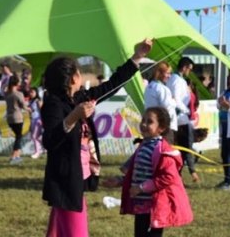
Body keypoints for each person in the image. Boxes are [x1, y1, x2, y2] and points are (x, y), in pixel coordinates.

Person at [41, 38, 152, 237]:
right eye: (78, 72)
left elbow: (112, 84)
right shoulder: (53, 104)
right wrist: (74, 116)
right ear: (72, 78)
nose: (81, 75)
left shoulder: (79, 98)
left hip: (75, 180)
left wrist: (138, 57)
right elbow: (50, 140)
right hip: (66, 183)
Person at [103, 107, 193, 236]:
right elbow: (137, 173)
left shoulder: (162, 150)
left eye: (149, 121)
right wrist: (119, 181)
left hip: (155, 206)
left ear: (161, 128)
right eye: (143, 120)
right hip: (141, 205)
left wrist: (141, 188)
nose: (144, 124)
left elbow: (168, 177)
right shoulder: (144, 145)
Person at [166, 56, 199, 183]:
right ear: (184, 67)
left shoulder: (178, 79)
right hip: (180, 119)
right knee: (185, 148)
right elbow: (176, 99)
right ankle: (190, 172)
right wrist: (187, 111)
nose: (189, 72)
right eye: (189, 69)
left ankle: (183, 173)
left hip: (181, 118)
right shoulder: (176, 80)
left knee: (182, 148)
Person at [144, 61, 177, 144]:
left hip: (152, 124)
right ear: (160, 73)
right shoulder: (162, 88)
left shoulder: (149, 86)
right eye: (168, 73)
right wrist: (174, 101)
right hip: (164, 126)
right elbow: (166, 107)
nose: (169, 76)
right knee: (165, 150)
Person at [5, 74, 26, 165]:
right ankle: (14, 156)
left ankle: (17, 156)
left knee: (18, 136)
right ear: (16, 82)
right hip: (17, 117)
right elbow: (24, 106)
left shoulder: (7, 93)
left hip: (9, 118)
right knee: (19, 137)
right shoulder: (19, 94)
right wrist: (29, 109)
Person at [28, 87, 45, 159]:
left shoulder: (38, 100)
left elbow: (42, 110)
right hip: (33, 120)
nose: (31, 94)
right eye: (30, 92)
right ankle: (41, 149)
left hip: (38, 120)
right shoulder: (31, 101)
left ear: (36, 93)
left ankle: (37, 151)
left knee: (34, 136)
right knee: (35, 137)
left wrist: (42, 120)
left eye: (33, 92)